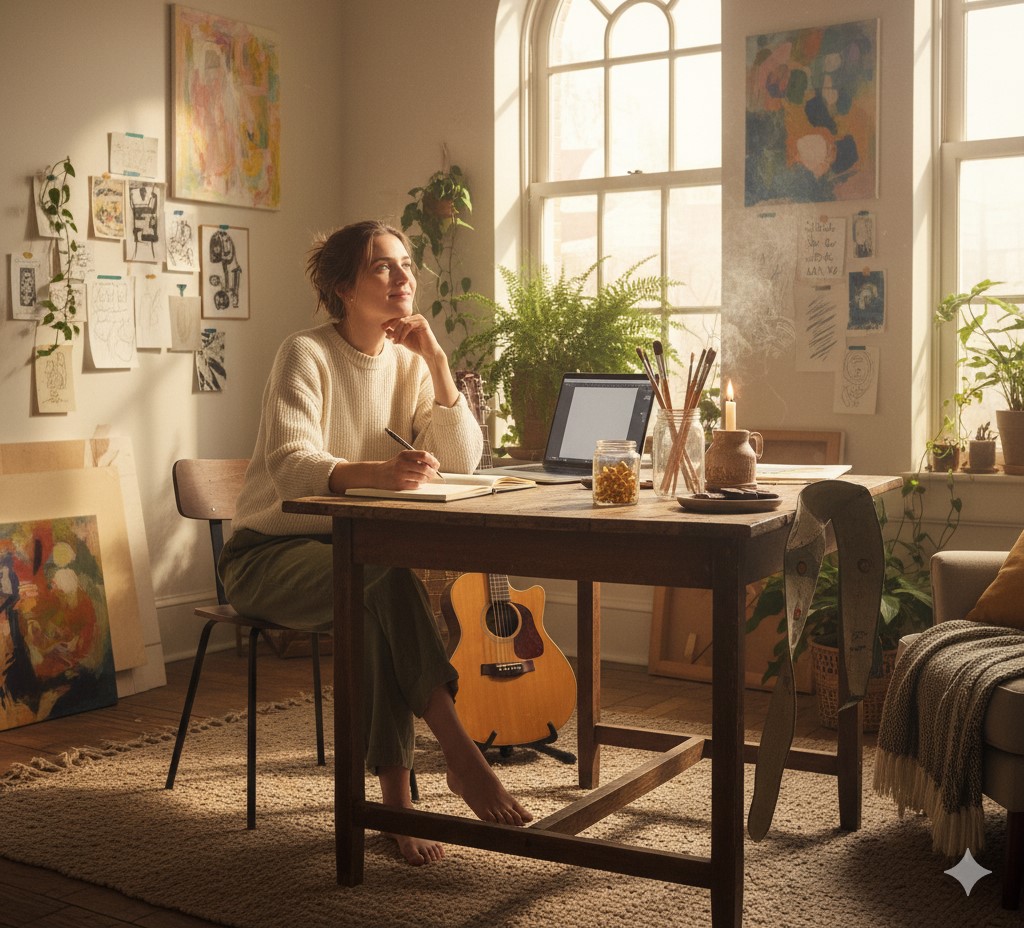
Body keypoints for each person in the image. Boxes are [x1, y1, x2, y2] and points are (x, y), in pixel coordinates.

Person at [218, 220, 532, 865]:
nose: (403, 277)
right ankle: (459, 756)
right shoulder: (304, 352)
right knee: (384, 585)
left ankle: (397, 805)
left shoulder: (411, 365)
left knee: (379, 596)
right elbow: (290, 463)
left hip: (349, 559)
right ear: (342, 286)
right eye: (382, 267)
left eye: (407, 264)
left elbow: (462, 459)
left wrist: (439, 363)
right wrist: (379, 474)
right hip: (266, 555)